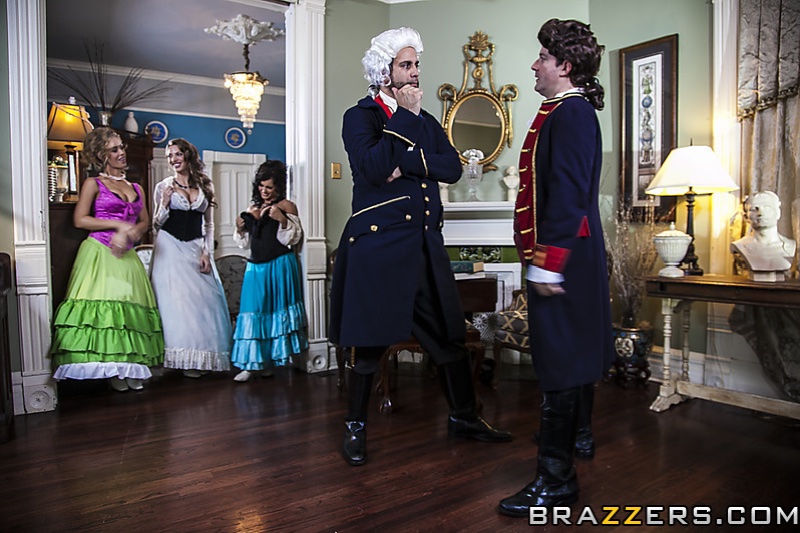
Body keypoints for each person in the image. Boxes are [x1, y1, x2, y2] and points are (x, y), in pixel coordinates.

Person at [329, 26, 512, 467]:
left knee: (449, 338)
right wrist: (405, 123)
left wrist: (405, 161)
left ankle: (464, 417)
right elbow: (374, 169)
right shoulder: (361, 117)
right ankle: (355, 428)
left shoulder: (427, 120)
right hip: (378, 248)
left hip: (425, 247)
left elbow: (451, 168)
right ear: (384, 72)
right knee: (368, 346)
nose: (415, 73)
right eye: (406, 65)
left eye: (416, 65)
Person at [498, 19, 614, 516]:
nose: (534, 64)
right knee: (571, 357)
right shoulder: (565, 110)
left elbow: (567, 196)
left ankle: (556, 482)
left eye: (543, 57)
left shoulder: (572, 114)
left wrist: (547, 265)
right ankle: (575, 442)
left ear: (565, 66)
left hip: (564, 260)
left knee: (562, 363)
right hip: (568, 257)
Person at [51, 127, 164, 392]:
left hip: (128, 256)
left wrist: (134, 230)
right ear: (102, 155)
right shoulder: (93, 184)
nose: (121, 152)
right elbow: (80, 219)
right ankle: (111, 369)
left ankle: (130, 366)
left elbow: (145, 220)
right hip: (100, 252)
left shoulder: (136, 187)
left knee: (130, 312)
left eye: (121, 147)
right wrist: (118, 225)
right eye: (114, 149)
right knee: (106, 311)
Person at [150, 138, 232, 378]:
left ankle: (200, 357)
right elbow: (156, 224)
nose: (173, 159)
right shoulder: (163, 186)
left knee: (204, 300)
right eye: (170, 156)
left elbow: (209, 224)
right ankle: (179, 359)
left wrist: (207, 252)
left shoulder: (205, 185)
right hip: (170, 247)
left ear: (188, 155)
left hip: (195, 246)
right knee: (176, 303)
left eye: (177, 154)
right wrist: (164, 204)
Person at [230, 160, 309, 382]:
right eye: (261, 186)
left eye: (269, 187)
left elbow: (293, 239)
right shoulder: (252, 208)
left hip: (280, 265)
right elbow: (244, 244)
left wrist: (282, 220)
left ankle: (269, 364)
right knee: (253, 312)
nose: (264, 191)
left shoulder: (287, 206)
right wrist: (239, 228)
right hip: (255, 267)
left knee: (275, 313)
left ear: (279, 187)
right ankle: (251, 364)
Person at [731, 191, 796, 278]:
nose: (760, 213)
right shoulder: (739, 246)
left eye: (767, 207)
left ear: (778, 213)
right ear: (746, 217)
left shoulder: (792, 246)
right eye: (753, 209)